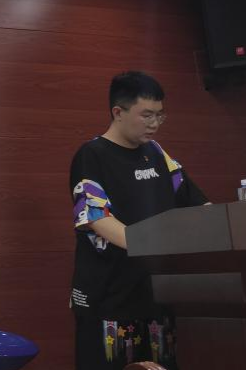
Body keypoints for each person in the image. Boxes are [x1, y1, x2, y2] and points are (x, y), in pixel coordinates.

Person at [70, 71, 210, 369]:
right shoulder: (92, 155)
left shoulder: (157, 154)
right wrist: (154, 246)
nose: (154, 123)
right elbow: (97, 217)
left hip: (158, 296)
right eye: (146, 115)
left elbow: (197, 204)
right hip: (110, 300)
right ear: (118, 112)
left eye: (160, 115)